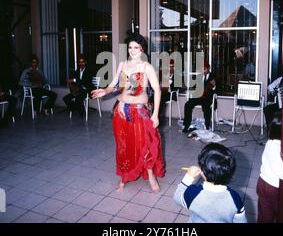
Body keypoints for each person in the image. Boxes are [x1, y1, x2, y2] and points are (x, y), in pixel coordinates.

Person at [91, 33, 165, 192]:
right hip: (121, 111)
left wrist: (155, 114)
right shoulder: (123, 64)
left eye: (136, 47)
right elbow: (113, 85)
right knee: (124, 146)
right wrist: (105, 91)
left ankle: (151, 175)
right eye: (130, 47)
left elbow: (157, 90)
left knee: (145, 144)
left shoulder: (147, 67)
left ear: (142, 49)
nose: (132, 50)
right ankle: (124, 176)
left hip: (140, 112)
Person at [173, 143, 247, 223]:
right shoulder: (235, 198)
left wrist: (188, 177)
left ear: (202, 171)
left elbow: (177, 197)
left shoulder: (193, 193)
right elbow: (241, 221)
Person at [256, 113, 283, 223]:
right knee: (266, 217)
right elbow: (282, 171)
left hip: (273, 187)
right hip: (269, 187)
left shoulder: (281, 144)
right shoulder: (273, 146)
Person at [182, 62, 216, 133]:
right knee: (188, 104)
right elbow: (195, 86)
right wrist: (190, 88)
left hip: (208, 97)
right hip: (199, 96)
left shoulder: (213, 76)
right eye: (202, 69)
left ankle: (207, 126)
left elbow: (217, 88)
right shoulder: (200, 76)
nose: (203, 71)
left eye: (205, 69)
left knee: (206, 107)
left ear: (208, 68)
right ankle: (186, 125)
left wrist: (214, 87)